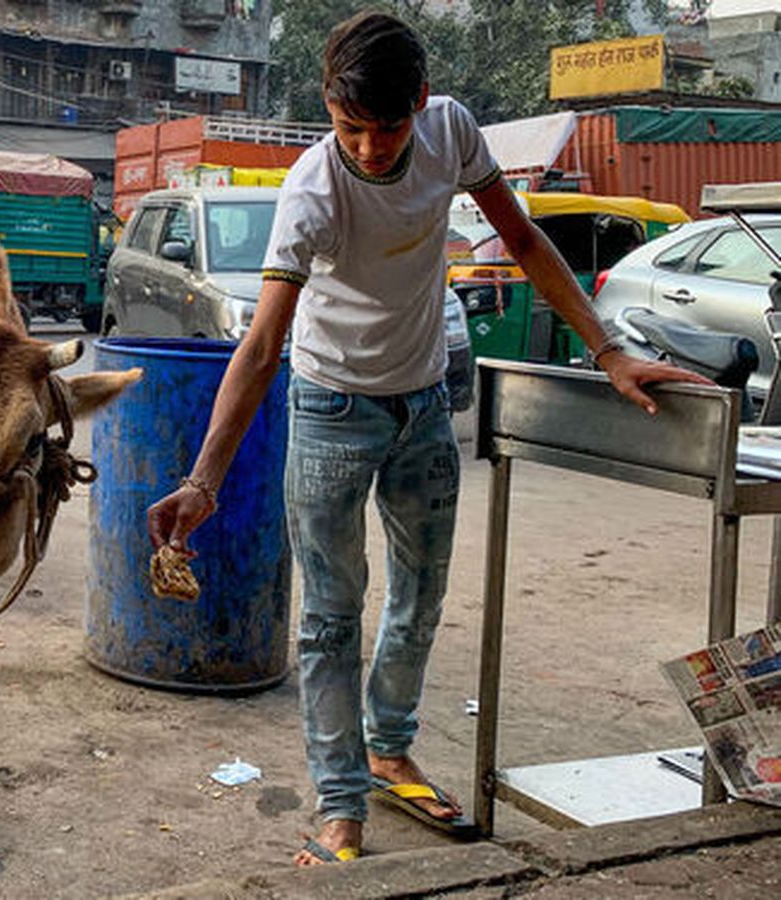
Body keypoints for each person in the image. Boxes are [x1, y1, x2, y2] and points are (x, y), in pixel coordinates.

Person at [145, 11, 707, 867]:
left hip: (421, 405)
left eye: (387, 126)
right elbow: (261, 347)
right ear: (329, 111)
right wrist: (204, 480)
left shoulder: (451, 131)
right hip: (331, 411)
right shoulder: (311, 193)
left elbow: (520, 238)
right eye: (350, 129)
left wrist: (609, 349)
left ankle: (389, 748)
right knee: (331, 621)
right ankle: (340, 811)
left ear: (421, 101)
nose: (370, 148)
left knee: (420, 598)